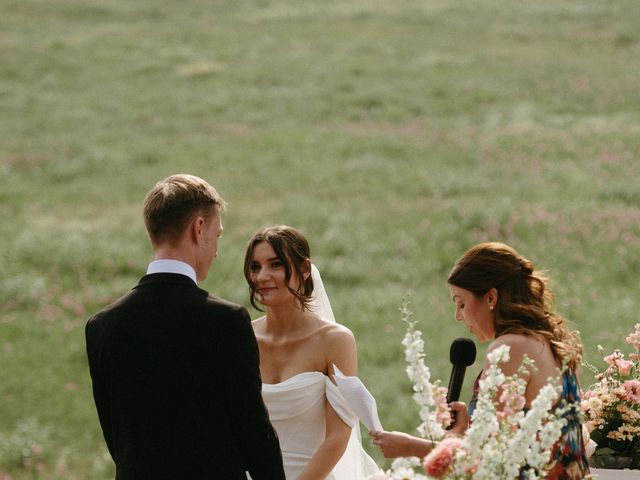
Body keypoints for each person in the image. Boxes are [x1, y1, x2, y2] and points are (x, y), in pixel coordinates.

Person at [85, 174, 285, 480]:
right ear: (199, 228)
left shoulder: (102, 326)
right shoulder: (226, 321)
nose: (216, 250)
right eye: (217, 235)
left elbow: (118, 441)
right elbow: (255, 436)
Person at [371, 242, 590, 479]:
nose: (458, 316)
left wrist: (412, 447)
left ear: (491, 297)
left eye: (461, 303)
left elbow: (490, 461)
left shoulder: (510, 347)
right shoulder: (548, 344)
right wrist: (465, 430)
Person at [243, 225, 381, 480]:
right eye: (255, 267)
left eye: (275, 265)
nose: (262, 276)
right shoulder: (242, 338)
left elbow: (338, 435)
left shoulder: (335, 340)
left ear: (304, 269)